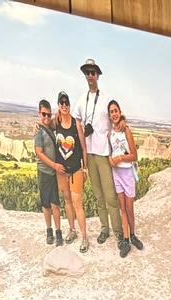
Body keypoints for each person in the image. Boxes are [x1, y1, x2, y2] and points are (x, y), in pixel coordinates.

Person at [78, 58, 120, 247]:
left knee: (110, 195)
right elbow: (74, 123)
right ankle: (105, 228)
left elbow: (116, 120)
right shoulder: (81, 100)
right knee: (98, 195)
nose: (90, 75)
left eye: (93, 72)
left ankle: (119, 232)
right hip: (90, 154)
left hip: (103, 153)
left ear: (98, 75)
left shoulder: (106, 98)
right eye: (87, 72)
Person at [105, 99, 144, 258]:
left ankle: (133, 235)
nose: (114, 114)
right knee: (122, 208)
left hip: (127, 173)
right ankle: (126, 240)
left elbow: (134, 155)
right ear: (109, 115)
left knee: (129, 208)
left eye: (116, 111)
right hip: (116, 174)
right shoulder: (110, 133)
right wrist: (110, 160)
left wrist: (120, 158)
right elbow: (109, 152)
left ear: (119, 112)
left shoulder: (125, 130)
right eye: (111, 112)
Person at [50, 92, 87, 249]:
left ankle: (85, 236)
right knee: (67, 201)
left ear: (69, 105)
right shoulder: (55, 122)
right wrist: (37, 124)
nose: (64, 105)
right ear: (58, 105)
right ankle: (72, 230)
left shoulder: (75, 124)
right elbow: (45, 124)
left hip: (76, 170)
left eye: (66, 103)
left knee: (77, 202)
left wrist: (85, 168)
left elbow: (84, 148)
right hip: (61, 171)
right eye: (61, 103)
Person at [31, 100, 63, 245]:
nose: (46, 117)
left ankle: (58, 231)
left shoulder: (50, 126)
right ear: (39, 113)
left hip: (53, 172)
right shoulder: (39, 132)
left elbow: (59, 119)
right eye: (44, 114)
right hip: (45, 172)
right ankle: (49, 231)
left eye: (48, 114)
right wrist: (54, 166)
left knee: (55, 203)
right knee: (46, 204)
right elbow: (39, 153)